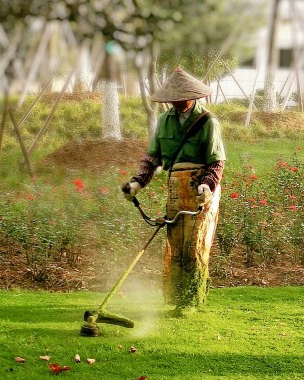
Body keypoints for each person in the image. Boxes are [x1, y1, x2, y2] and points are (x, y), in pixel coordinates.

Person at [122, 66, 226, 313]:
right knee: (176, 246)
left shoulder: (209, 122)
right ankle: (177, 298)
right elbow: (153, 158)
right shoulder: (163, 121)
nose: (179, 102)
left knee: (194, 246)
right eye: (175, 99)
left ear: (193, 96)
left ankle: (192, 299)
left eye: (183, 98)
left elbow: (217, 162)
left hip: (202, 191)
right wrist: (137, 183)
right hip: (176, 189)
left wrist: (207, 184)